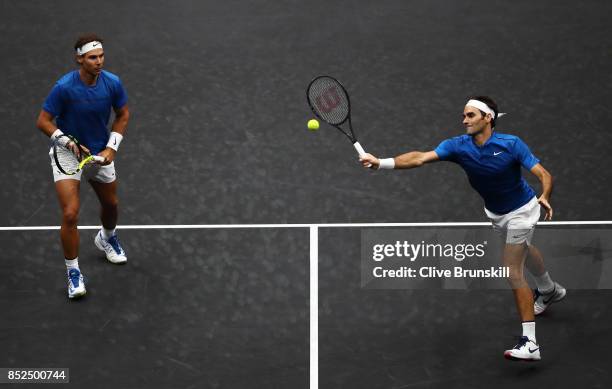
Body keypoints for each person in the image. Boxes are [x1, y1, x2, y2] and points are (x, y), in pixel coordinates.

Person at [360, 96, 566, 361]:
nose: (464, 120)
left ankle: (531, 344)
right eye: (463, 116)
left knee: (512, 271)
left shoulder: (511, 144)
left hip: (523, 212)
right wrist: (381, 162)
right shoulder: (458, 147)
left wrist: (545, 195)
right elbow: (420, 158)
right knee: (524, 249)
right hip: (497, 213)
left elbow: (544, 175)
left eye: (470, 115)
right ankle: (549, 289)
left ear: (488, 117)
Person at [36, 33, 130, 299]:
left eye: (101, 56)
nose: (98, 62)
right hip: (68, 154)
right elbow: (43, 121)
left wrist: (112, 146)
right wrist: (66, 142)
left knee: (111, 205)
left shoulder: (112, 83)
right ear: (79, 59)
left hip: (99, 152)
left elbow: (123, 114)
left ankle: (106, 237)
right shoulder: (64, 87)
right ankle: (73, 272)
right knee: (70, 214)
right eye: (92, 58)